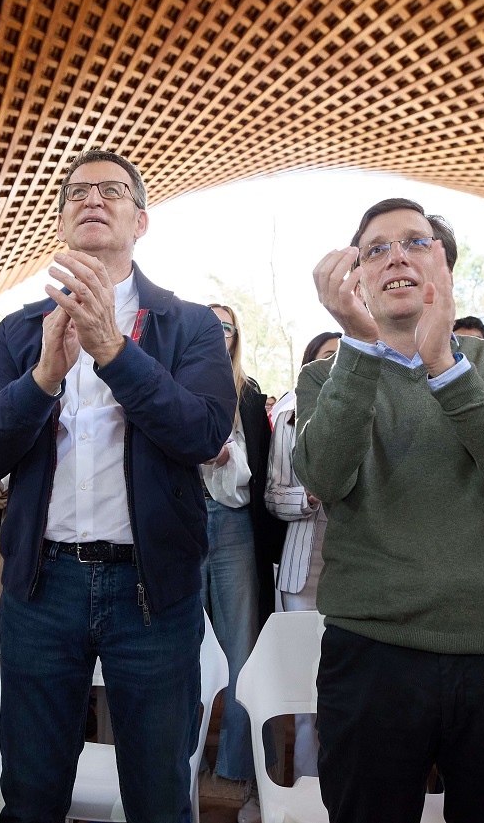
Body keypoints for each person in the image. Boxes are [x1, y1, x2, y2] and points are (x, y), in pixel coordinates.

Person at [0, 149, 235, 822]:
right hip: (41, 586)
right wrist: (43, 379)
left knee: (159, 789)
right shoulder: (23, 330)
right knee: (31, 785)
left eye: (111, 190)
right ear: (60, 221)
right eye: (78, 191)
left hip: (153, 591)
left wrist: (113, 350)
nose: (93, 198)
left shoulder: (188, 324)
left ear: (140, 221)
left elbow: (199, 431)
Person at [297, 197, 484, 821]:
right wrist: (361, 350)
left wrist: (444, 363)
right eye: (375, 248)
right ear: (355, 276)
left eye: (415, 242)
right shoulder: (330, 375)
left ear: (444, 265)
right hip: (371, 653)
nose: (396, 256)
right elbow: (324, 477)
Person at [199, 302, 284, 821]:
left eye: (227, 325)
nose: (218, 332)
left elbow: (266, 469)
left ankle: (234, 766)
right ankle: (180, 758)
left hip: (233, 528)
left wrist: (231, 459)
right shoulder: (170, 381)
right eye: (209, 324)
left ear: (236, 337)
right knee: (176, 644)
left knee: (240, 650)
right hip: (182, 525)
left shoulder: (249, 393)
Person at [265, 330, 339, 782]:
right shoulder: (290, 414)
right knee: (305, 693)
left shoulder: (375, 407)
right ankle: (307, 791)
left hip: (365, 571)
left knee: (352, 691)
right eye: (325, 357)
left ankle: (350, 792)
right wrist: (308, 499)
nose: (334, 364)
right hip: (303, 571)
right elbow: (273, 497)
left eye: (343, 356)